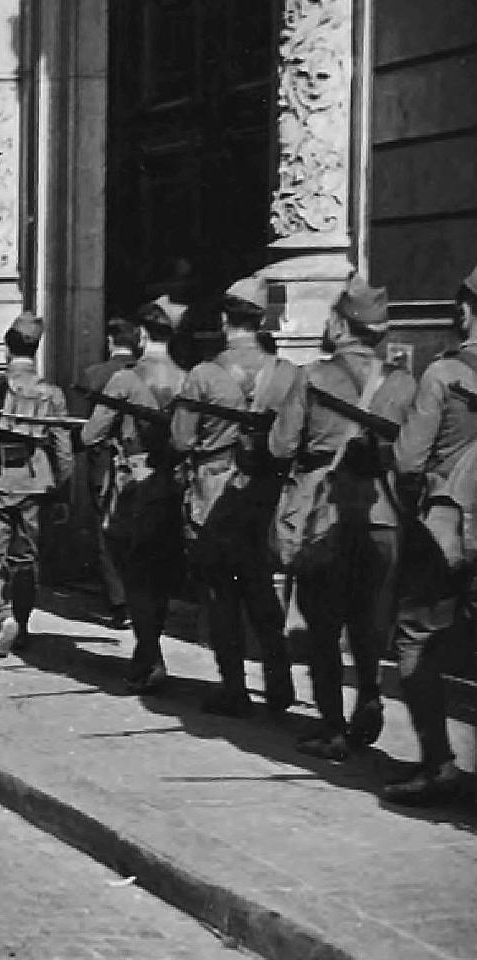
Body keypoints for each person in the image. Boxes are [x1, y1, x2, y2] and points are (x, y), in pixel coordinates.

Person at [267, 276, 414, 761]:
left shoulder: (314, 377)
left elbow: (281, 446)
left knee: (322, 625)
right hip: (383, 514)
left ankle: (332, 727)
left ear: (340, 323)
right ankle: (370, 692)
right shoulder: (402, 381)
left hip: (324, 513)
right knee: (367, 619)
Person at [170, 275, 301, 716]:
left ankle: (234, 688)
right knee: (263, 590)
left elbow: (181, 440)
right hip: (267, 495)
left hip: (213, 494)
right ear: (260, 320)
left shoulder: (204, 374)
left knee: (221, 594)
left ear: (226, 319)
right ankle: (279, 682)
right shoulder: (287, 374)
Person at [384, 262, 477, 806]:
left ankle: (437, 763)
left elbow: (408, 459)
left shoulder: (443, 375)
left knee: (415, 639)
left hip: (449, 530)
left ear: (464, 310)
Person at [81, 302, 186, 693]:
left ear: (142, 335)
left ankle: (149, 655)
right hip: (173, 483)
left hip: (132, 485)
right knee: (157, 572)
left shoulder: (126, 379)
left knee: (136, 573)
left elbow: (92, 434)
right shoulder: (186, 377)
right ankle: (149, 650)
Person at [0, 313, 74, 657]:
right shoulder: (51, 393)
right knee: (26, 558)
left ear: (8, 347)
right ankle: (23, 627)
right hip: (36, 481)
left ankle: (3, 615)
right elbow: (64, 451)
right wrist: (62, 491)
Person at [78, 316, 141, 628]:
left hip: (105, 462)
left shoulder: (95, 374)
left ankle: (119, 603)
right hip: (143, 461)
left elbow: (90, 428)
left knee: (106, 529)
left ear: (110, 341)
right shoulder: (144, 373)